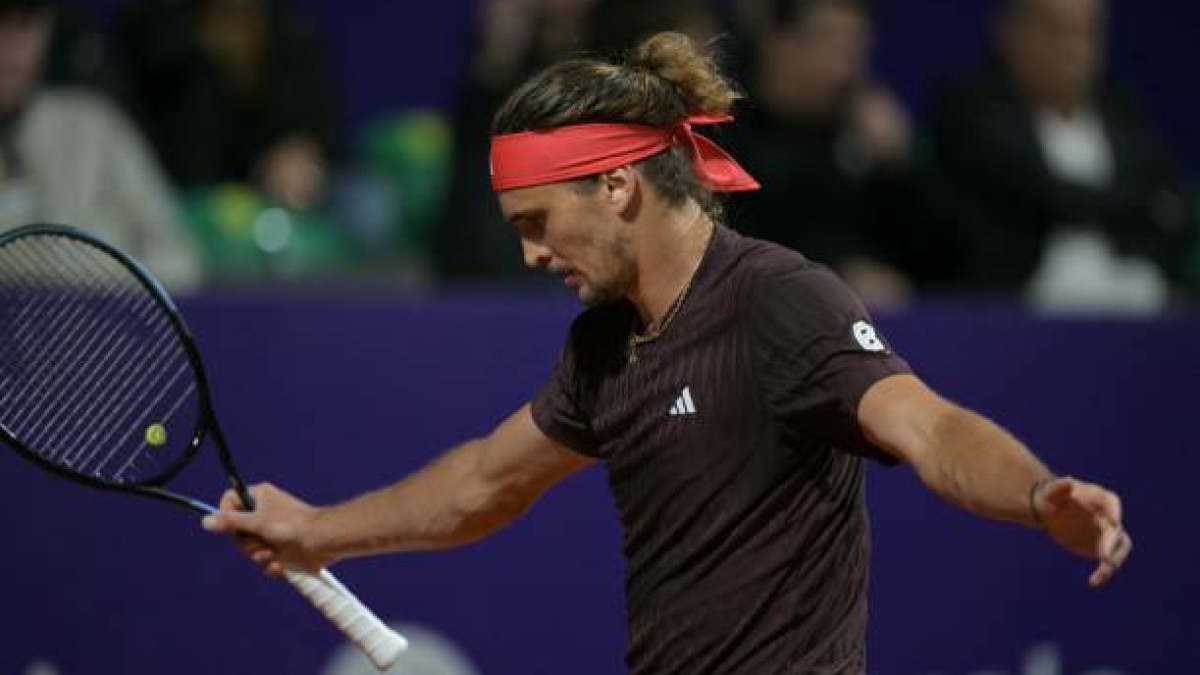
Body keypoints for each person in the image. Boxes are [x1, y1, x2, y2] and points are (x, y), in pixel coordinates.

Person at [203, 33, 1132, 675]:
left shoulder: (779, 298)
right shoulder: (605, 345)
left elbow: (931, 428)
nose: (529, 254)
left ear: (616, 185)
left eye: (538, 223)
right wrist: (313, 530)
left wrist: (1038, 494)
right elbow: (485, 482)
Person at [930, 0, 1194, 311]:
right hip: (1021, 319)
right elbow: (1035, 192)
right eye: (1056, 32)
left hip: (1141, 311)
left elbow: (1172, 198)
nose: (1074, 50)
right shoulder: (973, 106)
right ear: (1011, 33)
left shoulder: (1120, 111)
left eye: (1087, 34)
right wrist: (1135, 207)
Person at [0, 0, 202, 290]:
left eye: (22, 27)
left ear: (46, 33)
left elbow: (179, 256)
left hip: (108, 321)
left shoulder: (98, 126)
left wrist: (96, 307)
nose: (9, 48)